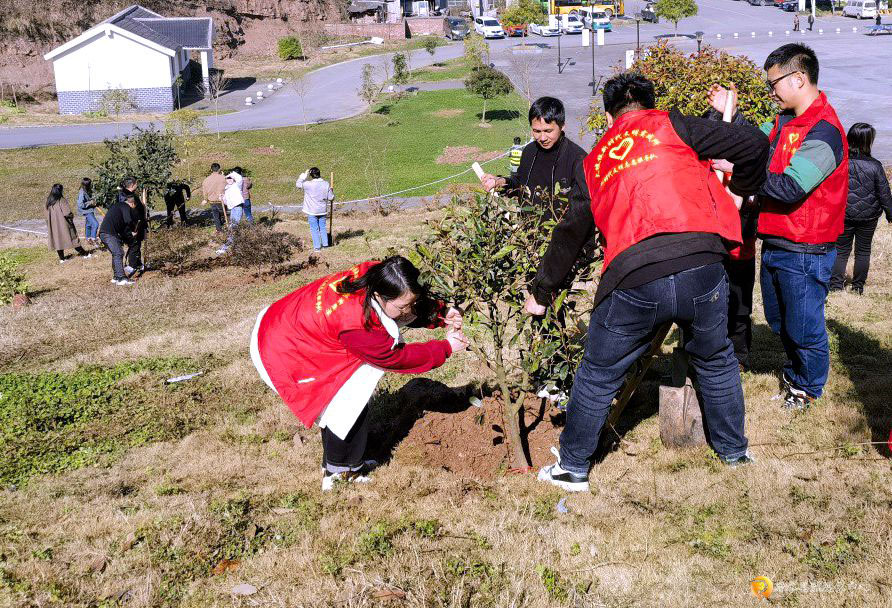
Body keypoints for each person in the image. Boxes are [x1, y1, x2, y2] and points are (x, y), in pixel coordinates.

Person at [529, 73, 770, 492]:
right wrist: (746, 187)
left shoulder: (594, 161)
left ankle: (572, 469)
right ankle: (734, 453)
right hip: (702, 264)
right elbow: (754, 144)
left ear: (608, 117)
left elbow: (571, 233)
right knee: (715, 360)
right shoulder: (674, 125)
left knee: (599, 374)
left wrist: (543, 290)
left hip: (634, 277)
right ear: (652, 104)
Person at [250, 256, 468, 491]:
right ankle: (340, 473)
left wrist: (439, 313)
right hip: (282, 346)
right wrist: (445, 348)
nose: (408, 311)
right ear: (379, 296)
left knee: (350, 397)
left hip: (290, 321)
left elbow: (404, 305)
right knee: (346, 400)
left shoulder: (380, 274)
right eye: (404, 307)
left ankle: (344, 464)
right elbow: (392, 357)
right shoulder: (355, 321)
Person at [711, 44, 848, 410]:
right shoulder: (784, 122)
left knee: (804, 326)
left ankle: (807, 388)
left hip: (806, 246)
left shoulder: (825, 132)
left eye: (774, 84)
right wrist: (732, 114)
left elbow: (789, 187)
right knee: (780, 320)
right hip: (776, 240)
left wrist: (734, 170)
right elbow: (756, 147)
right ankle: (795, 376)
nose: (771, 92)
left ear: (799, 78)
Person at [481, 97, 589, 219]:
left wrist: (559, 236)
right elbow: (520, 182)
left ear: (562, 126)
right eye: (537, 131)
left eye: (548, 131)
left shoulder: (579, 159)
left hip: (563, 235)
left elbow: (583, 212)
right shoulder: (529, 151)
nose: (542, 138)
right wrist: (500, 182)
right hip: (529, 233)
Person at [830, 123, 892, 294]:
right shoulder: (875, 166)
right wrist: (890, 214)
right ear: (867, 141)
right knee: (863, 251)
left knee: (841, 250)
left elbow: (830, 187)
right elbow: (884, 194)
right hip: (868, 217)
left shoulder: (840, 162)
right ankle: (857, 287)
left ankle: (835, 286)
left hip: (843, 214)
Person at [44, 184, 91, 263]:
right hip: (64, 224)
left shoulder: (48, 201)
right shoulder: (61, 200)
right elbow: (67, 213)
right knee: (73, 239)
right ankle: (85, 254)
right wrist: (71, 216)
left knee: (58, 241)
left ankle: (62, 259)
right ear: (60, 190)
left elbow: (46, 215)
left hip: (53, 225)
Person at [99, 194, 138, 286]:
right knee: (118, 253)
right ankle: (121, 278)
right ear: (132, 204)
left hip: (106, 233)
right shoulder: (125, 206)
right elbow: (128, 221)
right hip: (108, 233)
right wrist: (133, 230)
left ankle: (116, 277)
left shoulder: (118, 206)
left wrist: (128, 236)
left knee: (116, 252)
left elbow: (122, 227)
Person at [296, 167, 334, 251]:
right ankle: (326, 246)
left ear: (311, 175)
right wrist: (331, 191)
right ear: (319, 174)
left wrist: (303, 176)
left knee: (314, 229)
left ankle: (317, 248)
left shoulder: (308, 184)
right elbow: (331, 198)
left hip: (312, 211)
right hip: (322, 210)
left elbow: (298, 184)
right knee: (323, 228)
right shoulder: (326, 184)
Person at [118, 177, 145, 276]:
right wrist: (132, 228)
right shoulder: (127, 196)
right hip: (133, 226)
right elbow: (129, 212)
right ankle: (132, 267)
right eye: (136, 183)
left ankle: (138, 264)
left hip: (135, 225)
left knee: (136, 245)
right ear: (133, 185)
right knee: (134, 245)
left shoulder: (125, 193)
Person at [217, 172, 246, 255]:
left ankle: (229, 245)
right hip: (233, 208)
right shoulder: (226, 188)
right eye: (227, 179)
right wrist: (222, 199)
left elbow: (239, 177)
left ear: (233, 179)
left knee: (234, 226)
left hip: (238, 207)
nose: (229, 180)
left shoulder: (237, 185)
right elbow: (226, 202)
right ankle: (233, 244)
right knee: (233, 226)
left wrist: (230, 174)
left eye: (231, 178)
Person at [200, 163, 227, 232]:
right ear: (219, 169)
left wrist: (205, 199)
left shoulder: (206, 180)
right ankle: (226, 226)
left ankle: (219, 230)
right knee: (224, 213)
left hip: (212, 200)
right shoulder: (223, 178)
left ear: (211, 169)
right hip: (222, 200)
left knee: (216, 215)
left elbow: (204, 191)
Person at [76, 177, 99, 246]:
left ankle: (88, 238)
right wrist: (90, 203)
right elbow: (80, 204)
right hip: (86, 211)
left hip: (89, 209)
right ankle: (93, 239)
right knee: (95, 224)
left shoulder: (86, 190)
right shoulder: (82, 192)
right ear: (87, 185)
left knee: (89, 224)